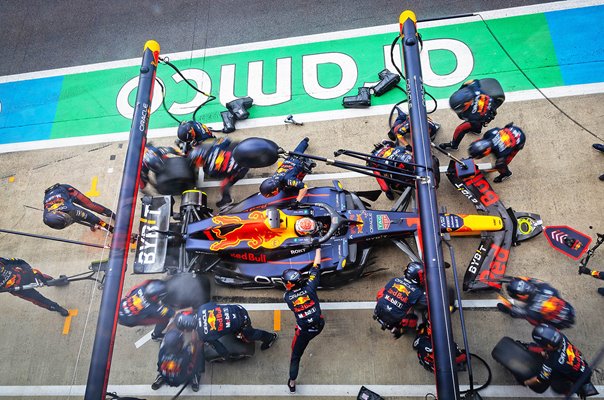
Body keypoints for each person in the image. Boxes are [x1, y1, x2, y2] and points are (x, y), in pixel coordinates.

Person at [282, 248, 324, 393]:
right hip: (319, 325)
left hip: (304, 332)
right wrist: (318, 248)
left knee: (295, 356)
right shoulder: (310, 286)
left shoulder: (287, 298)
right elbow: (316, 266)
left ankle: (292, 383)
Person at [177, 302, 278, 360]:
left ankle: (270, 337)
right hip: (237, 307)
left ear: (188, 328)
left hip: (243, 321)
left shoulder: (203, 335)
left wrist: (226, 356)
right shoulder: (202, 307)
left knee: (248, 336)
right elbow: (217, 307)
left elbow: (219, 347)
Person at [523, 324, 591, 396]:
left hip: (577, 377)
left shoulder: (552, 362)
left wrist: (526, 382)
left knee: (556, 386)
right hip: (581, 364)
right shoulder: (562, 337)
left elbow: (541, 379)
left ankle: (568, 391)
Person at [188, 137, 248, 209]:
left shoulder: (208, 170)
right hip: (244, 153)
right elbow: (227, 139)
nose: (195, 164)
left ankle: (227, 200)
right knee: (234, 144)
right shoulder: (215, 147)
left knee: (224, 184)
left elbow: (223, 175)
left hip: (242, 169)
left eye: (195, 161)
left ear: (200, 158)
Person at [439, 79, 500, 151]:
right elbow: (474, 81)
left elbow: (462, 117)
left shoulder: (471, 115)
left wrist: (464, 85)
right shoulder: (473, 88)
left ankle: (454, 145)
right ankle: (477, 130)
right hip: (489, 104)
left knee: (460, 129)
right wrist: (464, 86)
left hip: (483, 115)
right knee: (477, 124)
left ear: (467, 103)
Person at [373, 262, 427, 338]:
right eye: (423, 275)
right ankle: (401, 329)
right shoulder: (417, 292)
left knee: (382, 293)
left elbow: (382, 292)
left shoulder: (395, 280)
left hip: (378, 311)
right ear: (416, 277)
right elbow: (427, 303)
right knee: (417, 320)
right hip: (395, 321)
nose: (424, 278)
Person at [497, 276, 575, 329]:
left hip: (558, 325)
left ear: (520, 297)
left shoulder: (530, 311)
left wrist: (505, 305)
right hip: (569, 311)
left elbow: (515, 310)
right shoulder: (545, 287)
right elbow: (531, 280)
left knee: (532, 320)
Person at [0, 257, 69, 316]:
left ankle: (56, 282)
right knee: (38, 299)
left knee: (38, 274)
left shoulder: (1, 260)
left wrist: (28, 270)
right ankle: (57, 308)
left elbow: (20, 261)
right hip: (18, 289)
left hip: (24, 275)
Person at [259, 137, 316, 202]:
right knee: (298, 151)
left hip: (300, 163)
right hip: (290, 159)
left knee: (296, 184)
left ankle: (305, 142)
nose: (271, 196)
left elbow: (304, 188)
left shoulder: (289, 180)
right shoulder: (274, 177)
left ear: (276, 189)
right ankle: (305, 141)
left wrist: (297, 201)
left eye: (270, 195)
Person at [151, 324, 204, 392]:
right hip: (181, 379)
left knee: (161, 362)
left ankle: (160, 376)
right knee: (199, 348)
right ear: (178, 344)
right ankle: (194, 377)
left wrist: (175, 322)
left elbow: (169, 329)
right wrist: (194, 332)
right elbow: (194, 346)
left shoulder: (163, 350)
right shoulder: (185, 354)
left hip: (166, 377)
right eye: (181, 340)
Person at [43, 183, 114, 232]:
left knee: (91, 205)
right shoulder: (46, 219)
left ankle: (111, 214)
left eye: (67, 219)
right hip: (52, 197)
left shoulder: (72, 210)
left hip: (66, 191)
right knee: (79, 217)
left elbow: (92, 217)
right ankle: (92, 224)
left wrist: (108, 227)